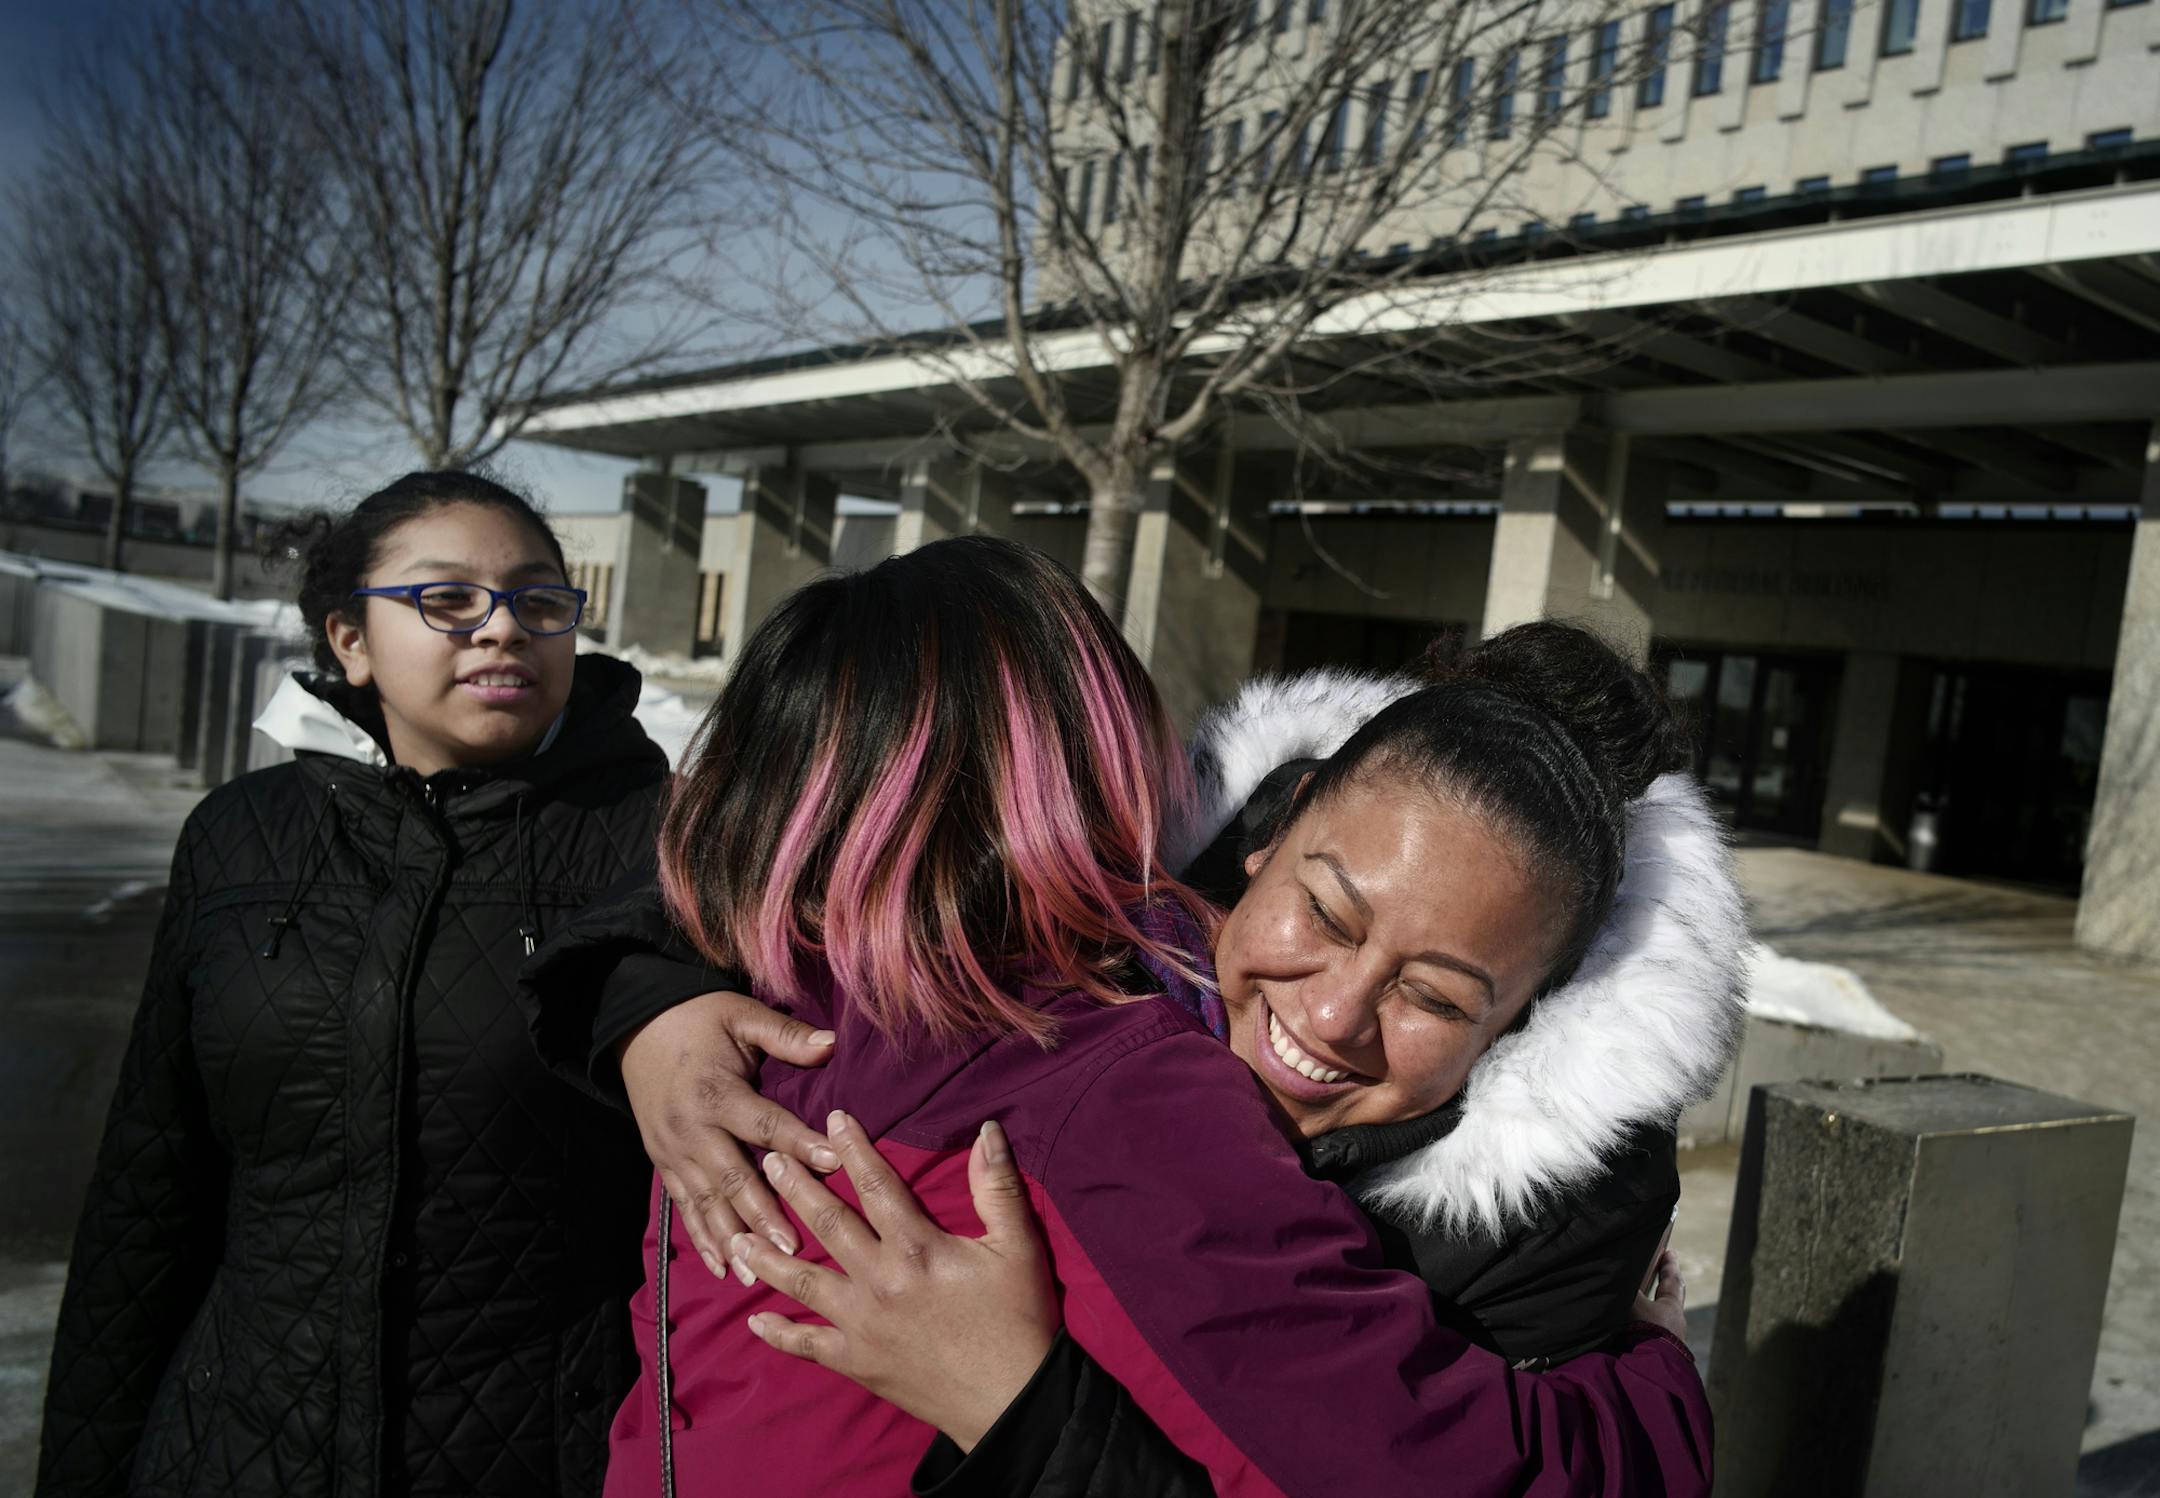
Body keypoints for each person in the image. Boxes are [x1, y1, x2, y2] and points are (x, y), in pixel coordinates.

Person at [540, 536, 1726, 1498]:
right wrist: (1659, 1386)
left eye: (1434, 992)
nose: (1339, 1007)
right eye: (1324, 906)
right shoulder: (1110, 1067)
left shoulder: (795, 982)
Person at [37, 473, 665, 1498]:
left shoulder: (673, 847)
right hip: (233, 1451)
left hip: (542, 1455)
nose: (501, 630)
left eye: (539, 601)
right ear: (349, 639)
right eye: (447, 599)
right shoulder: (240, 837)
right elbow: (148, 1192)